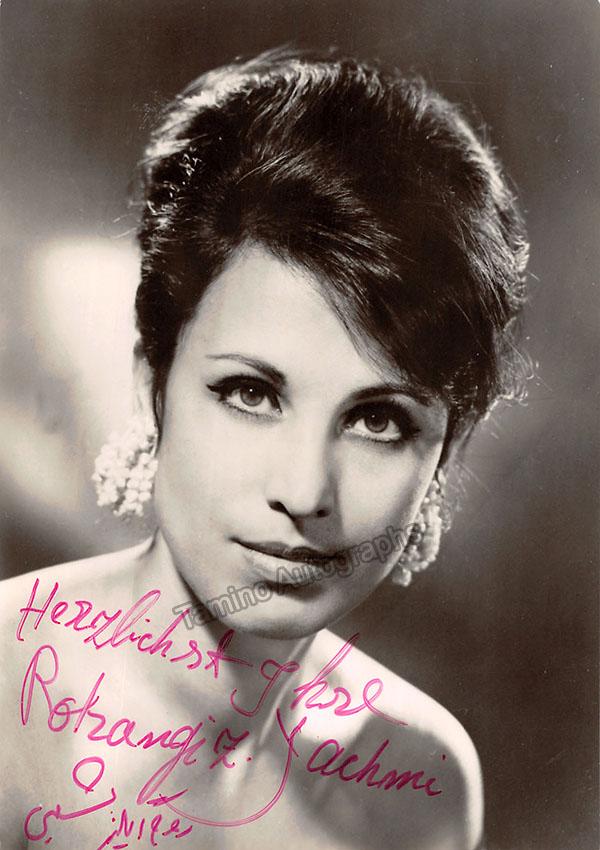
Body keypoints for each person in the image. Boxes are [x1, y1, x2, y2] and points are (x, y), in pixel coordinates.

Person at [0, 48, 528, 850]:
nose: (306, 489)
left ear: (443, 456)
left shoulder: (424, 786)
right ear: (152, 386)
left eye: (378, 421)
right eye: (251, 393)